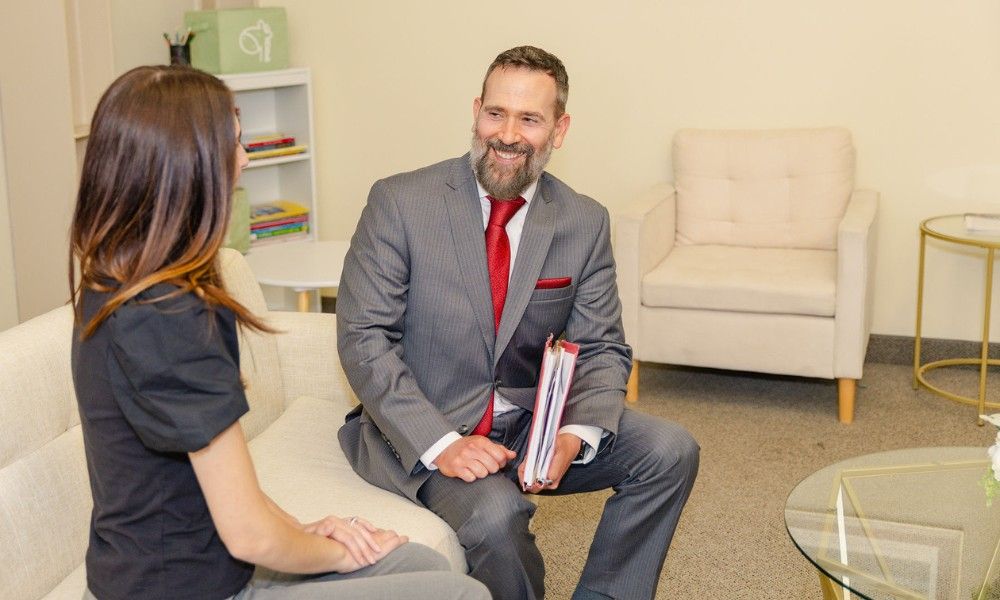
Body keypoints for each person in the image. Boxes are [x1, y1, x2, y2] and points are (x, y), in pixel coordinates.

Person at [70, 65, 489, 600]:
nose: (244, 161)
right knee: (464, 595)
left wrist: (305, 531)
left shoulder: (114, 282)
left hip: (184, 568)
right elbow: (247, 534)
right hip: (192, 589)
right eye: (234, 145)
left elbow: (214, 490)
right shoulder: (173, 318)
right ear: (186, 169)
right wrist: (335, 551)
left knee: (417, 560)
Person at [337, 46, 700, 600]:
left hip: (531, 425)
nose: (507, 134)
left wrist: (574, 437)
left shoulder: (582, 220)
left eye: (530, 119)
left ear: (560, 129)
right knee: (496, 520)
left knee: (670, 450)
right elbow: (364, 339)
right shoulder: (400, 203)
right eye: (496, 113)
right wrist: (442, 443)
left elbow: (601, 347)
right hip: (428, 425)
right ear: (476, 110)